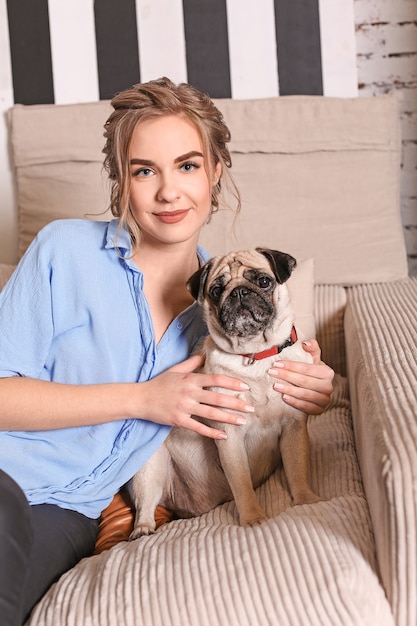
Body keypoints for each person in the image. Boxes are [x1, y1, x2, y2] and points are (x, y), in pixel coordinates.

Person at [0, 77, 334, 625]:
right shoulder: (63, 249)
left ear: (216, 171)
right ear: (121, 182)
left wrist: (315, 384)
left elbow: (276, 384)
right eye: (143, 170)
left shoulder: (223, 318)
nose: (168, 192)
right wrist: (144, 399)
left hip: (71, 513)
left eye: (186, 165)